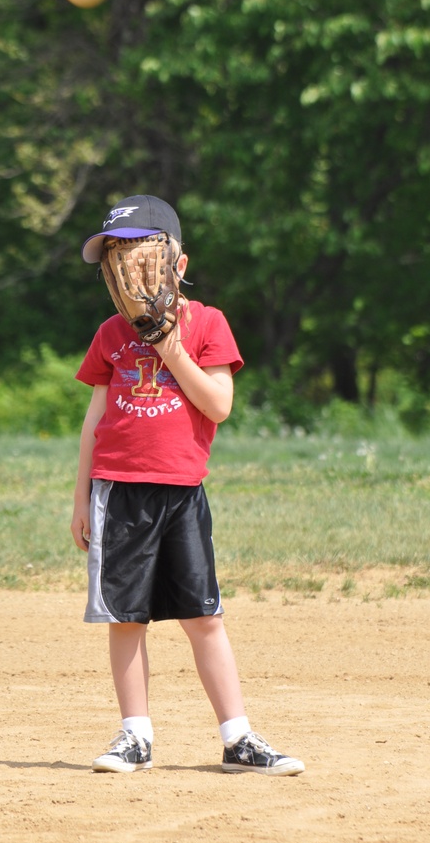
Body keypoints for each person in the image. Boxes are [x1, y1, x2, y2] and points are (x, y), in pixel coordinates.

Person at [70, 194, 305, 776]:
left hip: (181, 491)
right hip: (118, 490)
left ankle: (238, 737)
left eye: (142, 257)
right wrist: (80, 498)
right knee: (126, 617)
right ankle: (135, 736)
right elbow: (95, 421)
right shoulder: (110, 334)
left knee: (204, 618)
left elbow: (219, 405)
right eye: (119, 260)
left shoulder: (208, 323)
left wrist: (171, 348)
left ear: (176, 262)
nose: (130, 270)